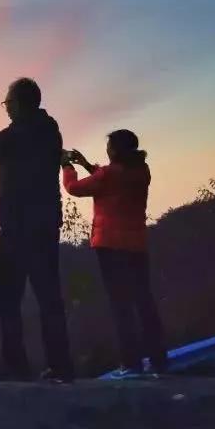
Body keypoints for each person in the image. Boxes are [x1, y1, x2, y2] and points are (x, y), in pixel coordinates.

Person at [0, 78, 75, 383]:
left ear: (19, 104)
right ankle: (61, 366)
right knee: (49, 297)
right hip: (45, 224)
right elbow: (7, 144)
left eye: (8, 103)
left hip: (18, 226)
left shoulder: (18, 134)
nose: (6, 108)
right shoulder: (48, 129)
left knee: (8, 298)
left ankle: (16, 368)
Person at [63, 130, 167, 378]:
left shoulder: (109, 175)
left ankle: (131, 363)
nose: (107, 149)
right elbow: (108, 180)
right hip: (136, 245)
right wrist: (87, 165)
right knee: (144, 301)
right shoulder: (141, 171)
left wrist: (67, 166)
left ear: (116, 150)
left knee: (121, 305)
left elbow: (74, 188)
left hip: (111, 246)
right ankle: (159, 360)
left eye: (109, 146)